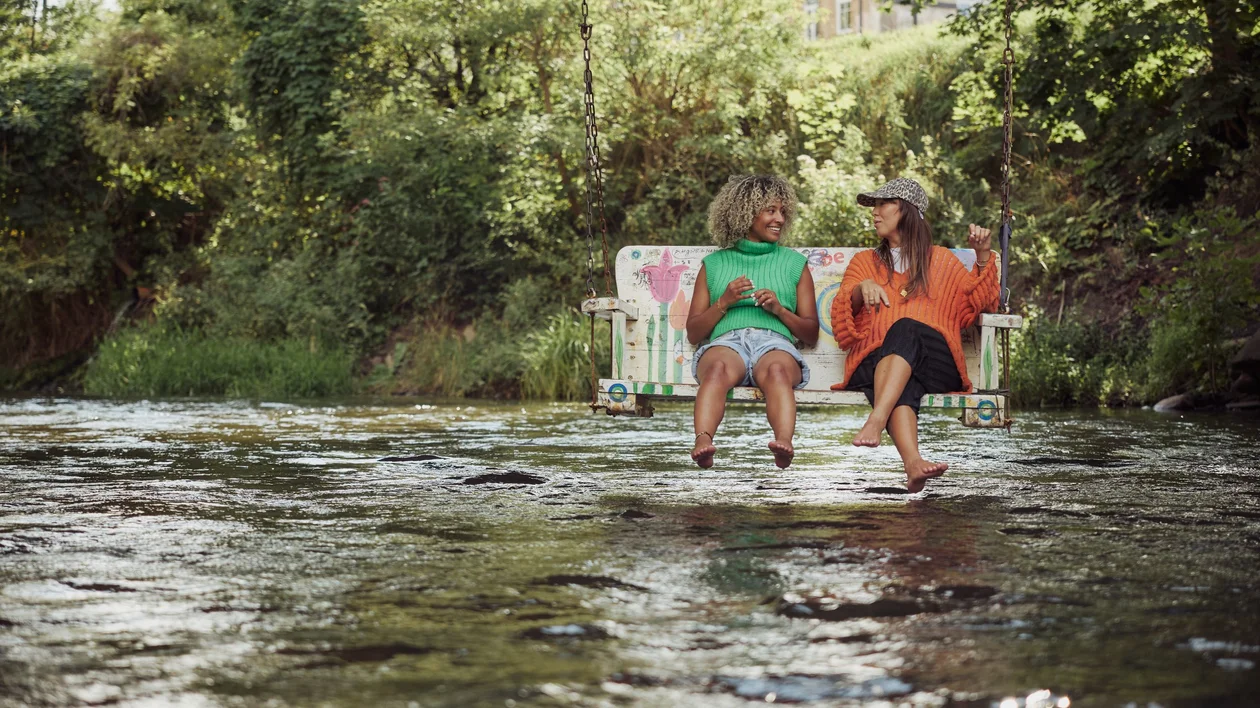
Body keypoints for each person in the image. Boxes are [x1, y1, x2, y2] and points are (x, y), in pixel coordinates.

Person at [829, 178, 998, 492]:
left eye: (883, 204)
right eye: (874, 206)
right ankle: (913, 463)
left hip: (935, 363)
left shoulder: (943, 261)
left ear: (907, 210)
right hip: (874, 362)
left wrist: (984, 256)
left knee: (906, 328)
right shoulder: (864, 262)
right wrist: (859, 290)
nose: (875, 213)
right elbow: (841, 315)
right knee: (897, 369)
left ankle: (877, 419)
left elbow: (982, 305)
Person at [686, 175, 820, 470]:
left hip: (775, 342)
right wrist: (724, 301)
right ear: (746, 213)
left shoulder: (794, 263)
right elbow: (695, 331)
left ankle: (783, 442)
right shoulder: (715, 264)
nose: (780, 219)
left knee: (776, 371)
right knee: (717, 370)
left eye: (783, 212)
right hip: (727, 342)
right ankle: (703, 441)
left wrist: (780, 311)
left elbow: (811, 333)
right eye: (771, 211)